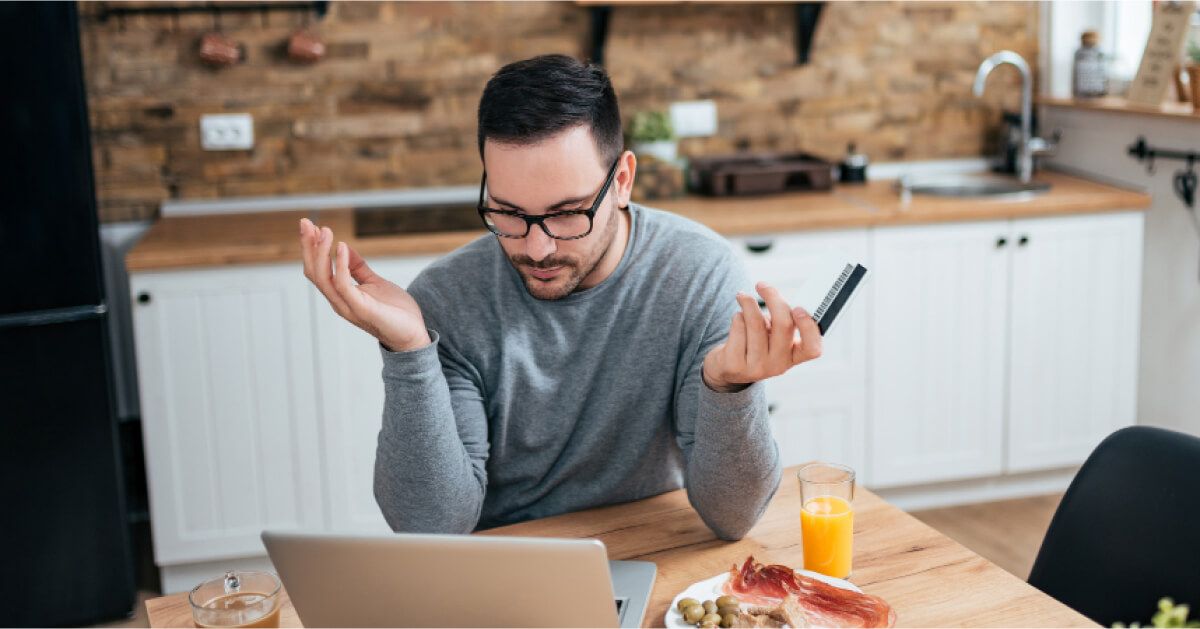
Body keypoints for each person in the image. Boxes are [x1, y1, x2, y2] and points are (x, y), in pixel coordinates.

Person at [298, 54, 822, 540]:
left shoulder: (696, 272)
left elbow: (732, 518)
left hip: (649, 546)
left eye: (567, 213)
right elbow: (430, 526)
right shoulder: (446, 298)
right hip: (508, 567)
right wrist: (410, 352)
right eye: (506, 212)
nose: (536, 246)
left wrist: (728, 388)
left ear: (622, 180)